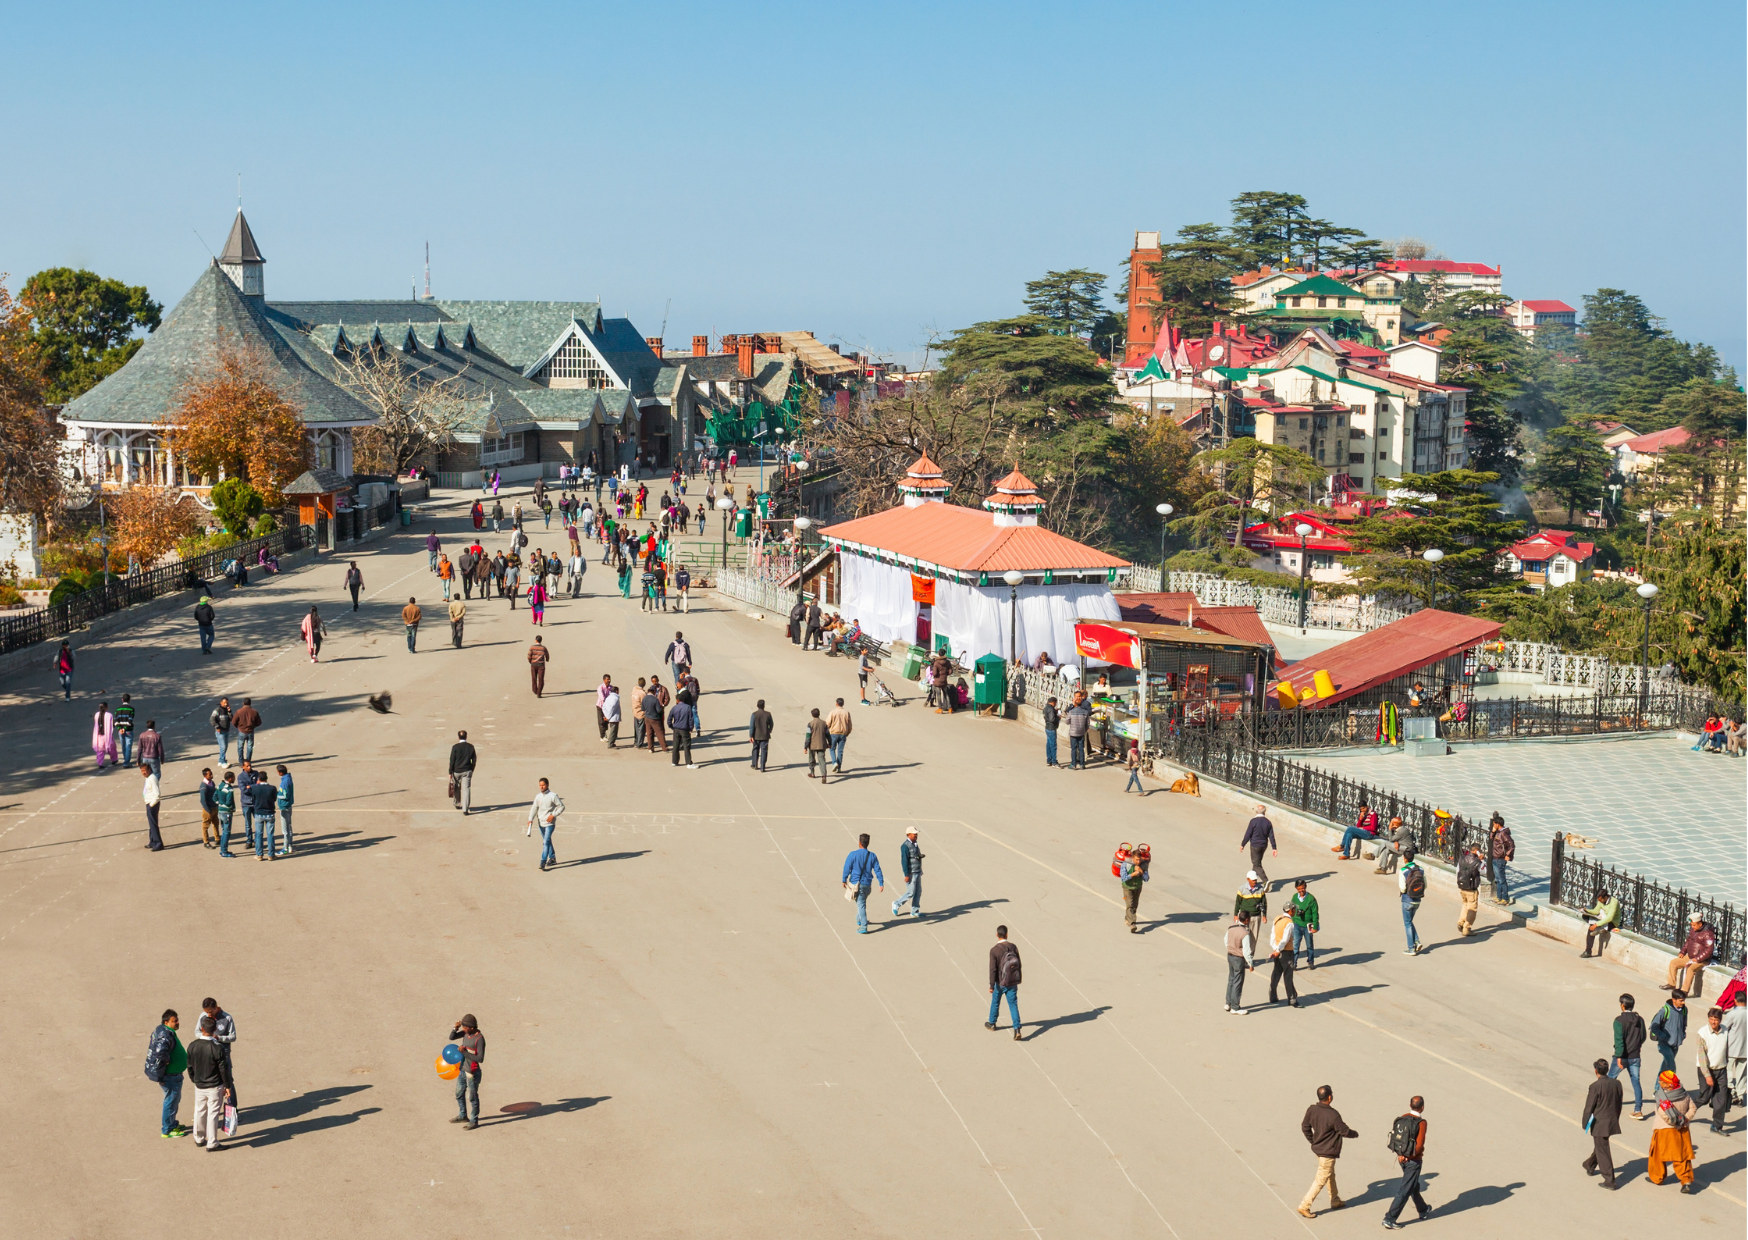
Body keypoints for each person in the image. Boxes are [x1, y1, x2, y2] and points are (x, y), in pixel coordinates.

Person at [1297, 1085, 1357, 1218]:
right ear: (1330, 1097)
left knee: (1330, 1174)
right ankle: (1304, 1205)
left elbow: (1305, 1127)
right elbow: (1344, 1131)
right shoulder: (1333, 1115)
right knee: (1321, 1179)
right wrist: (1355, 1134)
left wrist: (1313, 1141)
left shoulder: (1312, 1109)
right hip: (1328, 1152)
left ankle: (1335, 1199)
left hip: (1318, 1149)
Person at [1381, 1096, 1432, 1229]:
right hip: (1413, 1161)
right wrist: (1409, 1156)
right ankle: (1390, 1218)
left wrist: (1401, 1155)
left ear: (1410, 1105)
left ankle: (1423, 1209)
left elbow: (1397, 1140)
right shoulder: (1421, 1123)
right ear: (1423, 1107)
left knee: (1413, 1185)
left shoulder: (1402, 1117)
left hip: (1401, 1159)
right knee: (1405, 1189)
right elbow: (1419, 1146)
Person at [187, 1014, 235, 1152]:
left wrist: (194, 1079)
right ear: (214, 1030)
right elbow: (223, 1069)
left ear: (202, 1029)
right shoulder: (217, 1048)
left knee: (199, 1111)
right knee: (213, 1113)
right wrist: (227, 1086)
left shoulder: (193, 1046)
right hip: (214, 1085)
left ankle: (199, 1137)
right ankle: (212, 1142)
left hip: (199, 1085)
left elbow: (189, 1066)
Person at [1647, 1070, 1696, 1192]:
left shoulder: (1664, 1097)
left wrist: (1674, 1122)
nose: (1659, 1083)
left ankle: (1657, 1177)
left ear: (1668, 1084)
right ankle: (1686, 1180)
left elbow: (1663, 1114)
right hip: (1683, 1129)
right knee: (1682, 1156)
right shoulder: (1684, 1093)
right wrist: (1684, 1120)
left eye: (1662, 1082)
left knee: (1657, 1154)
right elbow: (1693, 1108)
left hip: (1665, 1130)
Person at [144, 1009, 190, 1138]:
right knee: (170, 1101)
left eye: (177, 1020)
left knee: (174, 1100)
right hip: (170, 1076)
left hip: (173, 1075)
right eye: (174, 1021)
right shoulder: (165, 1035)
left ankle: (172, 1123)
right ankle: (167, 1130)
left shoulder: (165, 1031)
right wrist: (166, 1062)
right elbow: (160, 1053)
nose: (177, 1023)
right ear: (166, 1022)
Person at [1581, 1057, 1624, 1188]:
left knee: (1602, 1149)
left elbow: (1589, 1107)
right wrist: (1616, 1117)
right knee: (1601, 1145)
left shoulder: (1595, 1086)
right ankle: (1590, 1164)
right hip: (1612, 1120)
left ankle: (1609, 1179)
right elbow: (1619, 1103)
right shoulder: (1617, 1084)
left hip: (1600, 1122)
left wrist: (1585, 1123)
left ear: (1596, 1071)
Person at [1609, 993, 1648, 1119]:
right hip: (1635, 1056)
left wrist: (1619, 1057)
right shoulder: (1639, 1019)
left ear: (1622, 1005)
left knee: (1609, 1080)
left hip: (1622, 1057)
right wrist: (1638, 1046)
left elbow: (1619, 1041)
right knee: (1636, 1082)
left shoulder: (1619, 1021)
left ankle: (1604, 1102)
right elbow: (1643, 1036)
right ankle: (1638, 1109)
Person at [1693, 1007, 1732, 1132]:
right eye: (1711, 1019)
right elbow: (1702, 1056)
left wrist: (1726, 1064)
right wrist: (1707, 1075)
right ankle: (1683, 1114)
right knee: (1704, 1098)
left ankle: (1717, 1126)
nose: (1713, 1022)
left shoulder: (1725, 1031)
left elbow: (1725, 1049)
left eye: (1716, 1019)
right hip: (1706, 1070)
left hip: (1721, 1070)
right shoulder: (1702, 1033)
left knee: (1721, 1099)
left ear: (1720, 1020)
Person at [985, 924, 1025, 1039]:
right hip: (1012, 982)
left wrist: (992, 985)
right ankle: (1017, 1029)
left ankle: (992, 1023)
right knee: (1013, 1004)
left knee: (995, 1002)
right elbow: (1019, 964)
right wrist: (1018, 978)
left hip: (1000, 982)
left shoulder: (994, 950)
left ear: (997, 935)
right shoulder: (1013, 947)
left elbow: (993, 969)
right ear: (1007, 934)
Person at [841, 833, 885, 934]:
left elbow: (846, 867)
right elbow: (878, 870)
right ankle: (860, 919)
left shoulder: (853, 854)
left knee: (861, 905)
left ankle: (863, 926)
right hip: (867, 885)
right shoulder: (872, 855)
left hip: (857, 884)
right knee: (861, 903)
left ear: (859, 843)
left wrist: (844, 880)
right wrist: (881, 883)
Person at [448, 1015, 485, 1129]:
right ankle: (463, 1115)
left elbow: (480, 1058)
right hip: (463, 1070)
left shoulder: (479, 1039)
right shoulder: (466, 1033)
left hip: (472, 1073)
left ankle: (474, 1121)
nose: (463, 1028)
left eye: (465, 1026)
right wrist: (455, 1028)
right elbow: (452, 1037)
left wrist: (464, 1052)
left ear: (472, 1027)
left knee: (473, 1097)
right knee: (459, 1094)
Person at [1665, 915, 1716, 997]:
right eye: (1691, 925)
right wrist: (1683, 951)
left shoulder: (1708, 934)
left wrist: (1697, 958)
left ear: (1700, 924)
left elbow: (1709, 950)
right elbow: (1688, 941)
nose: (1692, 927)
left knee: (1690, 968)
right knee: (1674, 963)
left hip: (1701, 960)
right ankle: (1671, 984)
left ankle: (1684, 991)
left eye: (1694, 925)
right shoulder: (1693, 930)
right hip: (1690, 956)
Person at [528, 777, 565, 871]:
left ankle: (543, 861)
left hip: (550, 824)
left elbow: (561, 807)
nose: (541, 787)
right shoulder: (538, 797)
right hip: (541, 823)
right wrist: (530, 819)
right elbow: (534, 808)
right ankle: (552, 858)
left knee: (545, 842)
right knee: (547, 841)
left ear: (547, 785)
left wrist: (553, 815)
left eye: (543, 785)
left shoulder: (553, 796)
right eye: (540, 785)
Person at [1651, 991, 1689, 1076]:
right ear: (1674, 1000)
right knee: (1671, 1066)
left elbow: (1684, 1024)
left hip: (1675, 1044)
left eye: (1684, 1000)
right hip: (1664, 1044)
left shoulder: (1684, 1010)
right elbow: (1653, 1026)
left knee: (1665, 1067)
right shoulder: (1665, 1010)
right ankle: (1671, 1086)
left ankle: (1658, 1087)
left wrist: (1682, 1035)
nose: (1683, 1003)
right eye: (1681, 1000)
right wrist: (1663, 1036)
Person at [1224, 912, 1255, 1015]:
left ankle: (1228, 1003)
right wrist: (1250, 963)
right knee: (1238, 982)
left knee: (1231, 979)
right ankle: (1235, 1007)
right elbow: (1246, 950)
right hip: (1238, 958)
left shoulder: (1231, 927)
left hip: (1230, 955)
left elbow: (1225, 940)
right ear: (1246, 920)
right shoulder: (1245, 932)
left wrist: (1231, 948)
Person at [1268, 911, 1300, 1007]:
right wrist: (1279, 949)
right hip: (1286, 951)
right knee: (1288, 975)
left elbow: (1272, 935)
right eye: (1293, 909)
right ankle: (1292, 998)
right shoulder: (1289, 922)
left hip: (1277, 949)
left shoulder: (1277, 919)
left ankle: (1272, 995)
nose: (1294, 911)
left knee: (1276, 972)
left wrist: (1275, 948)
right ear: (1290, 910)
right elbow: (1285, 939)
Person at [1580, 887, 1621, 958]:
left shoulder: (1614, 902)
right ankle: (1588, 951)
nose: (1600, 901)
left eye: (1601, 900)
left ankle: (1602, 929)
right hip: (1602, 918)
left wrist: (1596, 924)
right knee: (1590, 927)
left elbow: (1610, 918)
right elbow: (1596, 911)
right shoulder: (1600, 900)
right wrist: (1586, 910)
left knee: (1594, 927)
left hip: (1612, 922)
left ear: (1605, 897)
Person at [1240, 805, 1277, 887]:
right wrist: (1274, 848)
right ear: (1264, 812)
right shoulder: (1268, 822)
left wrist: (1243, 844)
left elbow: (1248, 834)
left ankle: (1265, 881)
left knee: (1256, 864)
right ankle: (1253, 880)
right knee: (1257, 863)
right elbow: (1271, 836)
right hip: (1264, 845)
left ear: (1256, 811)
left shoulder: (1253, 821)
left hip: (1255, 845)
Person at [1287, 878, 1320, 969]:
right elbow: (1291, 910)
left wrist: (1315, 926)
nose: (1301, 890)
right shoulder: (1294, 897)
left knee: (1309, 945)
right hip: (1297, 924)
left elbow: (1315, 913)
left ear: (1305, 887)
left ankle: (1310, 961)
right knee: (1295, 945)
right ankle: (1294, 963)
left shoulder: (1311, 899)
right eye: (1299, 889)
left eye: (1303, 888)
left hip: (1307, 926)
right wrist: (1290, 921)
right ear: (1296, 888)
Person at [892, 827, 923, 919]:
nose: (916, 835)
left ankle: (915, 911)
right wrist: (906, 874)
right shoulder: (905, 846)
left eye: (916, 834)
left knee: (918, 892)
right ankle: (896, 904)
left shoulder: (915, 844)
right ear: (909, 834)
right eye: (914, 834)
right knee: (910, 892)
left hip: (917, 871)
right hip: (911, 873)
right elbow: (904, 861)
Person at [1398, 849, 1425, 954]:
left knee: (1407, 923)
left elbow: (1402, 888)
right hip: (1417, 900)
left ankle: (1411, 948)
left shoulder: (1403, 870)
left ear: (1404, 859)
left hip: (1407, 900)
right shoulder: (1421, 869)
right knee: (1409, 921)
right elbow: (1425, 885)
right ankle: (1417, 942)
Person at [1455, 842, 1484, 936]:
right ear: (1476, 851)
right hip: (1471, 887)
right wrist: (1482, 860)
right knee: (1472, 908)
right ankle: (1467, 928)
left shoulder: (1462, 858)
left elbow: (1457, 870)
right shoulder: (1477, 862)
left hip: (1462, 885)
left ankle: (1461, 922)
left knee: (1465, 905)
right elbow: (1485, 871)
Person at [249, 772, 279, 861]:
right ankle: (271, 854)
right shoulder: (272, 788)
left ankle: (259, 854)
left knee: (258, 834)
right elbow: (274, 799)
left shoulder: (254, 788)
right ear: (267, 778)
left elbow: (253, 799)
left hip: (258, 813)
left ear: (259, 779)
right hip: (269, 813)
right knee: (270, 834)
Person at [1119, 844, 1149, 932]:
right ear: (1132, 858)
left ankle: (1128, 918)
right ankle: (1132, 924)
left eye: (1139, 859)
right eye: (1136, 859)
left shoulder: (1143, 865)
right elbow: (1123, 878)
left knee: (1134, 906)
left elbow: (1146, 879)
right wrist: (1133, 874)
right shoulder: (1126, 864)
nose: (1138, 861)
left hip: (1138, 887)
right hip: (1127, 887)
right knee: (1130, 905)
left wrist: (1141, 872)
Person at [1487, 813, 1515, 904]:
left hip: (1500, 858)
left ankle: (1505, 898)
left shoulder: (1503, 834)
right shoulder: (1497, 832)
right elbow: (1491, 838)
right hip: (1495, 857)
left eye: (1494, 824)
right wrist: (1493, 831)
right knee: (1498, 879)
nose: (1493, 825)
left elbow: (1511, 845)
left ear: (1497, 824)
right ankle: (1499, 897)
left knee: (1502, 879)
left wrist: (1508, 855)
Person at [449, 730, 476, 814]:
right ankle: (465, 809)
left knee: (456, 787)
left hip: (457, 771)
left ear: (458, 737)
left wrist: (450, 772)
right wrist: (471, 769)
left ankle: (457, 803)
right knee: (466, 789)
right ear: (466, 736)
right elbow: (474, 760)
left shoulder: (455, 747)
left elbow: (452, 760)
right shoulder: (470, 747)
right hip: (467, 770)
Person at [1064, 690, 1092, 768]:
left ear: (1082, 696)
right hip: (1081, 732)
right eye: (1076, 696)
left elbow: (1067, 721)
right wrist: (1084, 729)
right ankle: (1082, 764)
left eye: (1079, 696)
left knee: (1074, 748)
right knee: (1080, 748)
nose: (1078, 698)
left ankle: (1074, 764)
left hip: (1074, 732)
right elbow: (1087, 723)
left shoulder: (1084, 705)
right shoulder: (1081, 710)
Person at [214, 769, 239, 857]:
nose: (234, 779)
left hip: (220, 811)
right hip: (227, 812)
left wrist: (220, 803)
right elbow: (229, 802)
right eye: (233, 778)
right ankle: (224, 850)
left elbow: (214, 797)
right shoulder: (229, 789)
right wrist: (229, 806)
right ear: (230, 778)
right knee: (226, 832)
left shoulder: (219, 785)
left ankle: (223, 849)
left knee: (224, 830)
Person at [668, 696, 697, 768]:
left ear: (678, 700)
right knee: (686, 746)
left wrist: (672, 726)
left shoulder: (674, 708)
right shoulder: (687, 707)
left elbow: (669, 719)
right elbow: (691, 719)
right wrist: (691, 728)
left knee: (675, 745)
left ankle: (674, 762)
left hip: (676, 729)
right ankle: (688, 763)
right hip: (684, 729)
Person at [826, 698, 852, 772]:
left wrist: (826, 733)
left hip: (833, 733)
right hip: (843, 734)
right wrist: (847, 733)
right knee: (840, 751)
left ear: (836, 703)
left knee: (832, 749)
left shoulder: (833, 712)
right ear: (843, 704)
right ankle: (839, 768)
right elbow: (850, 725)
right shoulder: (846, 712)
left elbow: (827, 723)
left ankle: (834, 763)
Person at [804, 707, 831, 782]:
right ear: (819, 714)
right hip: (822, 745)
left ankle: (812, 773)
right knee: (822, 760)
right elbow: (828, 734)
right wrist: (830, 743)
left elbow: (808, 736)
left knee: (811, 759)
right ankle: (824, 776)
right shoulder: (824, 723)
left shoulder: (810, 724)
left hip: (812, 745)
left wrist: (805, 747)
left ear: (812, 715)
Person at [233, 698, 261, 764]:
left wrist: (239, 726)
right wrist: (253, 726)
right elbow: (259, 722)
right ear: (250, 703)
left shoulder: (239, 711)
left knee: (240, 747)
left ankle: (241, 761)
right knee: (250, 747)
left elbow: (234, 722)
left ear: (243, 703)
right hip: (250, 731)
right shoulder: (254, 712)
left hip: (241, 731)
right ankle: (248, 761)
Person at [274, 764, 295, 856]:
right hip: (288, 806)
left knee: (285, 829)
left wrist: (276, 794)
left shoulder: (284, 782)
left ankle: (285, 848)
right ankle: (290, 845)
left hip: (285, 806)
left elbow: (285, 795)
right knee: (289, 827)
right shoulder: (287, 779)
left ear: (280, 772)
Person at [142, 764, 163, 850]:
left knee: (153, 824)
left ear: (149, 770)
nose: (143, 773)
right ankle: (152, 841)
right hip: (148, 803)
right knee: (151, 824)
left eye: (145, 770)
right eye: (142, 771)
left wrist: (151, 805)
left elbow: (157, 794)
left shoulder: (152, 778)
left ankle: (158, 843)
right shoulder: (147, 778)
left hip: (152, 804)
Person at [197, 768, 219, 849]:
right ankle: (206, 842)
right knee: (205, 826)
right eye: (210, 774)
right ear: (205, 775)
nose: (212, 775)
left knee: (216, 823)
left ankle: (217, 839)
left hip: (214, 807)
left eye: (211, 773)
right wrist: (208, 809)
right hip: (208, 810)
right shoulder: (204, 786)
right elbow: (202, 800)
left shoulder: (211, 782)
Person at [92, 700, 118, 770]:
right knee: (112, 747)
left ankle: (100, 763)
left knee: (100, 750)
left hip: (99, 735)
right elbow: (112, 724)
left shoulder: (97, 714)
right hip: (107, 736)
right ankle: (114, 759)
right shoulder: (109, 715)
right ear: (106, 707)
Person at [749, 699, 773, 771]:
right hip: (765, 736)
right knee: (764, 751)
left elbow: (752, 726)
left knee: (755, 749)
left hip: (756, 736)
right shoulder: (768, 714)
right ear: (764, 706)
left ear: (757, 705)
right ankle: (762, 767)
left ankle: (755, 764)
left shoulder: (754, 714)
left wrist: (751, 736)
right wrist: (768, 730)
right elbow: (771, 724)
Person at [115, 693, 136, 766]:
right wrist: (125, 728)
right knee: (128, 745)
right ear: (129, 700)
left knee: (123, 745)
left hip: (120, 730)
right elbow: (130, 720)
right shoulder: (131, 709)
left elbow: (116, 721)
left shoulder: (118, 709)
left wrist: (120, 728)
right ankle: (126, 762)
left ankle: (125, 759)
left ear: (122, 699)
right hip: (129, 730)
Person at [600, 681, 621, 749]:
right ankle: (610, 744)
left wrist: (606, 715)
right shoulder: (615, 698)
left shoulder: (608, 697)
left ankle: (612, 743)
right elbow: (612, 708)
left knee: (614, 731)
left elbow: (604, 707)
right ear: (616, 691)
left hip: (610, 716)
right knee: (613, 731)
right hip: (613, 717)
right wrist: (608, 717)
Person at [1041, 695, 1061, 766]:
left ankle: (1049, 760)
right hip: (1052, 728)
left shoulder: (1046, 708)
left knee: (1049, 744)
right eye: (1055, 703)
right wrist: (1058, 718)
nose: (1055, 705)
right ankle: (1054, 762)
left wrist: (1055, 711)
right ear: (1053, 702)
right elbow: (1052, 719)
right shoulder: (1051, 709)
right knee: (1053, 745)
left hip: (1047, 727)